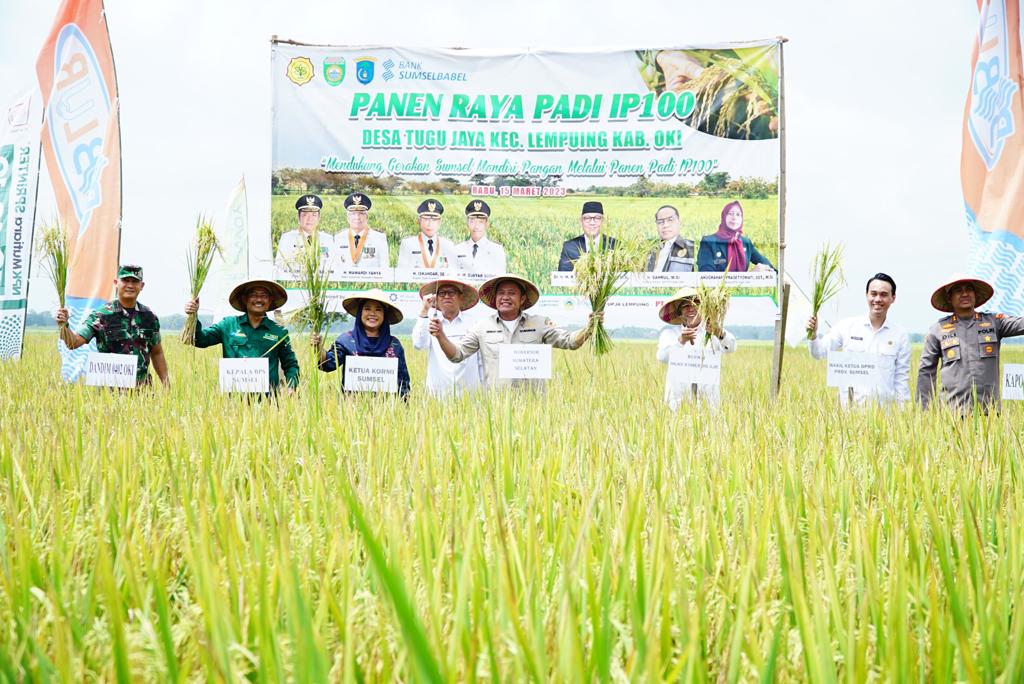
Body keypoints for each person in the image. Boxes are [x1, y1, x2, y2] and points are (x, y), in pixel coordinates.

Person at [430, 274, 600, 389]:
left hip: (533, 408)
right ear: (495, 299)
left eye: (512, 293)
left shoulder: (539, 324)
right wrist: (440, 335)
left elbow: (570, 341)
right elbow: (457, 355)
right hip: (495, 408)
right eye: (501, 293)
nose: (505, 297)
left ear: (523, 299)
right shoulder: (482, 327)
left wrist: (591, 327)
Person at [917, 274, 1024, 413]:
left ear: (975, 294)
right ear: (949, 298)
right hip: (952, 413)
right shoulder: (938, 329)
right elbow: (926, 371)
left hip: (989, 413)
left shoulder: (994, 322)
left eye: (969, 289)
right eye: (958, 290)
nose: (965, 293)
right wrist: (925, 410)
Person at [55, 264, 169, 387]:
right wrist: (63, 325)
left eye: (135, 281)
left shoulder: (150, 317)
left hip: (142, 393)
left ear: (141, 286)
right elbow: (74, 342)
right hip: (109, 394)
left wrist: (166, 384)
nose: (130, 285)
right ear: (116, 282)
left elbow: (157, 352)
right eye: (125, 280)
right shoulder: (100, 315)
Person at [806, 273, 911, 406]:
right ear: (867, 295)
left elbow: (901, 378)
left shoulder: (900, 334)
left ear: (893, 298)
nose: (878, 299)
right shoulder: (847, 326)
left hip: (885, 417)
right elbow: (818, 352)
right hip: (849, 413)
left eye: (883, 295)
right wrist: (813, 334)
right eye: (873, 294)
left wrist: (902, 414)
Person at [184, 279, 300, 394]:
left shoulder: (279, 332)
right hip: (234, 404)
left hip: (269, 403)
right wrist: (193, 315)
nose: (259, 299)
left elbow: (291, 365)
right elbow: (200, 340)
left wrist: (291, 387)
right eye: (253, 295)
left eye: (264, 295)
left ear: (270, 300)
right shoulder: (228, 325)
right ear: (245, 299)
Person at [310, 289, 411, 398]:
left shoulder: (394, 345)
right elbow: (327, 364)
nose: (372, 313)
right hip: (351, 408)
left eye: (378, 310)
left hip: (387, 408)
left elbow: (403, 383)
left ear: (384, 315)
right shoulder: (346, 341)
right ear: (360, 313)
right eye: (367, 309)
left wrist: (404, 408)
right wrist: (318, 347)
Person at [655, 286, 735, 408]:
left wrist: (719, 333)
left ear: (703, 308)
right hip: (677, 402)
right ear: (679, 312)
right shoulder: (670, 334)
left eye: (696, 303)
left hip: (708, 404)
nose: (691, 308)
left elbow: (731, 347)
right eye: (686, 306)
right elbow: (662, 357)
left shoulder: (712, 333)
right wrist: (681, 341)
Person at [411, 279, 483, 396]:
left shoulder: (474, 323)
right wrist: (424, 310)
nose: (446, 296)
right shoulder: (431, 322)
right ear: (437, 299)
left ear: (461, 297)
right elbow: (418, 344)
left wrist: (486, 393)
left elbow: (481, 361)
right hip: (437, 395)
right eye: (441, 293)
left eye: (451, 292)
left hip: (470, 396)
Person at [696, 200, 774, 272]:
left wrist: (775, 273)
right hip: (717, 287)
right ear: (724, 216)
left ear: (741, 219)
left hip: (743, 287)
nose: (734, 218)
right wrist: (751, 276)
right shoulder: (708, 242)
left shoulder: (745, 242)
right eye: (730, 213)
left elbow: (765, 263)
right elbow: (706, 275)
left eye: (738, 214)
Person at [275, 194, 335, 275]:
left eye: (314, 215)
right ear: (298, 217)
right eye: (305, 215)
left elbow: (334, 268)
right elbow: (279, 268)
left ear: (319, 218)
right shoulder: (287, 238)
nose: (310, 219)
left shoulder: (328, 239)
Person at [331, 192, 390, 270]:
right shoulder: (338, 238)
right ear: (347, 217)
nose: (357, 217)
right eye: (353, 213)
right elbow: (333, 267)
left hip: (371, 281)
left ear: (367, 217)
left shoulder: (379, 238)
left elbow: (385, 268)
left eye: (361, 213)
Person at [397, 199, 457, 271]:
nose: (430, 224)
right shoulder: (407, 244)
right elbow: (400, 275)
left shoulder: (448, 245)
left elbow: (453, 275)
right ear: (419, 221)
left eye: (434, 219)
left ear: (439, 222)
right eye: (426, 219)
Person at [557, 201, 618, 271]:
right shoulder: (569, 247)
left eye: (597, 218)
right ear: (581, 221)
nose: (592, 223)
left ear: (603, 221)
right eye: (587, 218)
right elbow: (563, 277)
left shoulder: (615, 246)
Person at [454, 200, 507, 274]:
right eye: (472, 221)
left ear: (487, 224)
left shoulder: (496, 249)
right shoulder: (458, 249)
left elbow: (500, 278)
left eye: (481, 222)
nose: (476, 226)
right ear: (467, 223)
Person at [645, 204, 695, 272]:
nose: (665, 225)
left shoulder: (693, 248)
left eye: (670, 220)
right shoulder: (646, 247)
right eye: (660, 222)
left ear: (679, 222)